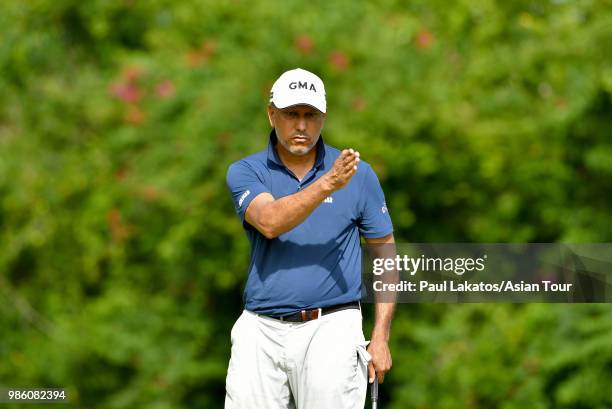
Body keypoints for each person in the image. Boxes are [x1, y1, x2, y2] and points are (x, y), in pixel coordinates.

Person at [225, 68, 395, 409]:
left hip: (332, 325)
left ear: (323, 118)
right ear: (272, 115)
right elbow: (270, 221)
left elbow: (385, 255)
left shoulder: (358, 175)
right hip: (261, 329)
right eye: (291, 114)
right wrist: (327, 184)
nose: (301, 125)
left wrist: (380, 335)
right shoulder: (247, 171)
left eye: (310, 115)